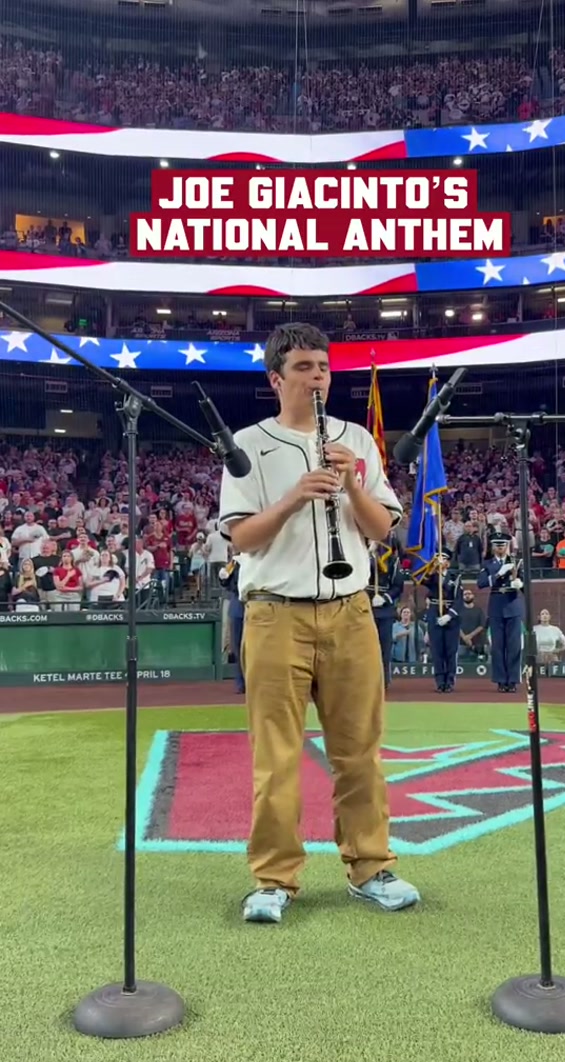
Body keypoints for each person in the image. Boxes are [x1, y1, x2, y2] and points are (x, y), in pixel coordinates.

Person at [218, 322, 420, 923]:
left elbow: (383, 529)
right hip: (274, 612)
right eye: (304, 368)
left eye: (323, 368)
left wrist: (353, 481)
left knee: (359, 751)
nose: (317, 378)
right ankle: (274, 879)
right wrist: (291, 499)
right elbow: (241, 537)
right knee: (276, 754)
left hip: (352, 610)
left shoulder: (356, 437)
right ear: (276, 378)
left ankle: (370, 867)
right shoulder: (248, 444)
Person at [478, 533, 524, 693]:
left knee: (514, 645)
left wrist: (521, 584)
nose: (500, 547)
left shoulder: (516, 563)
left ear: (507, 546)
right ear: (492, 547)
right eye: (497, 545)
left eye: (503, 544)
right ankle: (500, 680)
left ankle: (512, 680)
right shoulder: (488, 564)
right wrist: (498, 573)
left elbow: (526, 587)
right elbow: (481, 583)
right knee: (498, 646)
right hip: (497, 606)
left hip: (513, 606)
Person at [365, 536, 404, 689]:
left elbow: (398, 585)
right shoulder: (362, 557)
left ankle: (383, 679)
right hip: (365, 606)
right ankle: (365, 679)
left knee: (384, 646)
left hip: (384, 609)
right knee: (364, 647)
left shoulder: (392, 561)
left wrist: (385, 598)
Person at [424, 550, 462, 692]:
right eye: (438, 559)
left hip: (450, 617)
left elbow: (458, 600)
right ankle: (440, 682)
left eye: (443, 559)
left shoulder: (455, 577)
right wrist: (434, 568)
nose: (441, 561)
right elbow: (423, 581)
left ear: (448, 562)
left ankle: (450, 681)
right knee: (437, 651)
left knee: (451, 651)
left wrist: (450, 615)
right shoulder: (432, 576)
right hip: (435, 613)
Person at [218, 549, 245, 695]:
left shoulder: (256, 559)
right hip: (237, 605)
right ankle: (241, 683)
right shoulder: (234, 562)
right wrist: (223, 577)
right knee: (237, 647)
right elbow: (225, 582)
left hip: (254, 604)